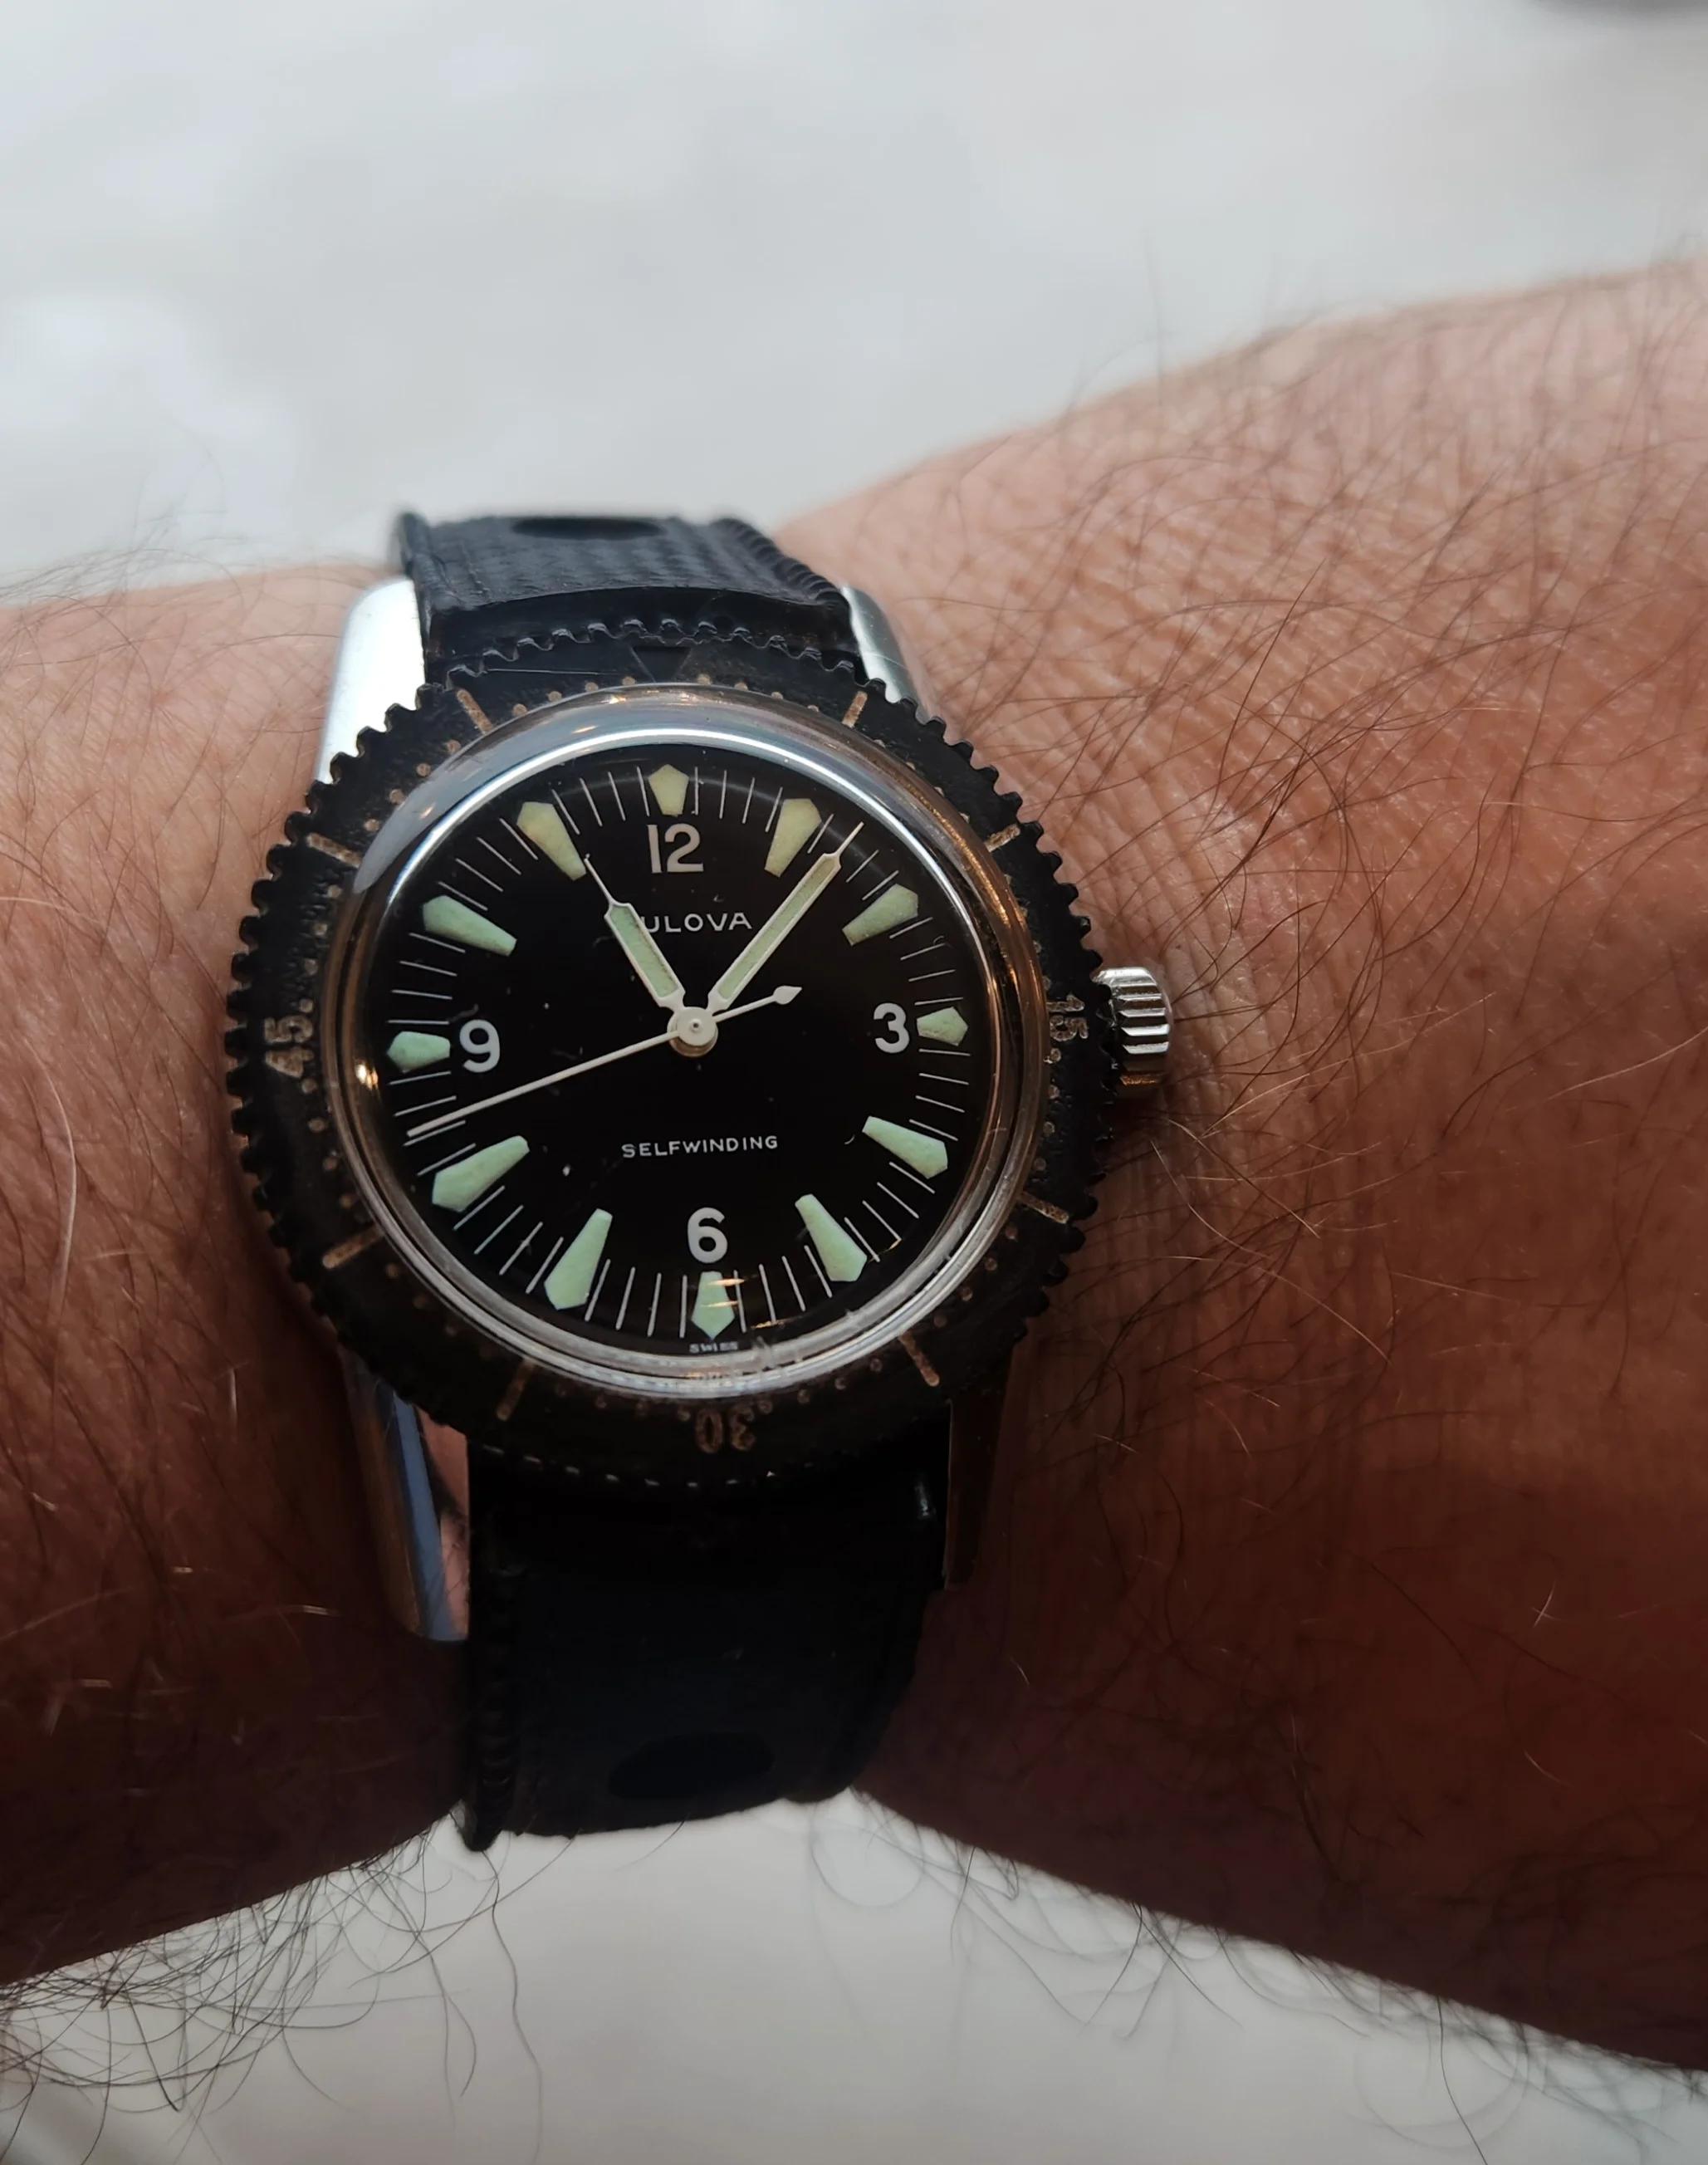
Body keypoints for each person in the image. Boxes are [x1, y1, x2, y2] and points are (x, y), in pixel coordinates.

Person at [3, 261, 1707, 2068]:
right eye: (680, 1020)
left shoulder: (1010, 1043)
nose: (692, 1034)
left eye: (711, 1015)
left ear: (1090, 1034)